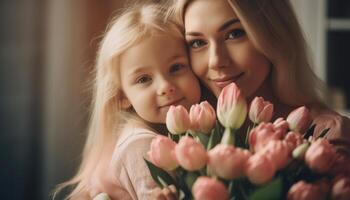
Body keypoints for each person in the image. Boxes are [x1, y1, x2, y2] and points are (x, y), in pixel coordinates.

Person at [54, 3, 201, 200]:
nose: (165, 86)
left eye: (176, 67)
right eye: (144, 79)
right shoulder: (141, 145)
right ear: (122, 96)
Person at [171, 0, 350, 155]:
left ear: (275, 34)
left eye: (234, 34)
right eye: (198, 43)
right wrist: (141, 137)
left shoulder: (329, 138)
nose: (215, 61)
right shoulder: (189, 125)